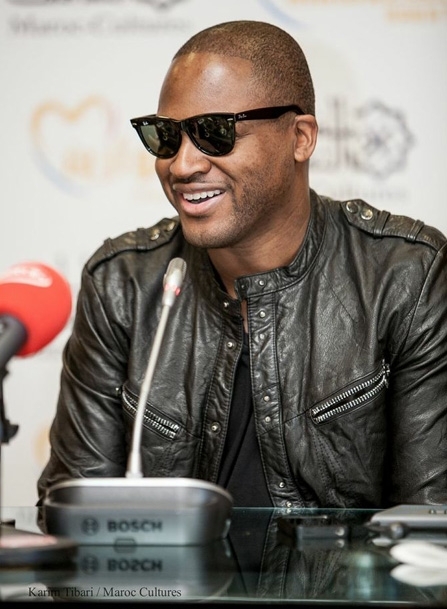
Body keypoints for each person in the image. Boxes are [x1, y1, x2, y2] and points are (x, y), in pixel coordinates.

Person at [37, 20, 447, 510]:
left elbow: (429, 524)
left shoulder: (406, 276)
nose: (182, 165)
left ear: (300, 137)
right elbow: (75, 515)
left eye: (215, 133)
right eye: (165, 136)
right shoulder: (122, 285)